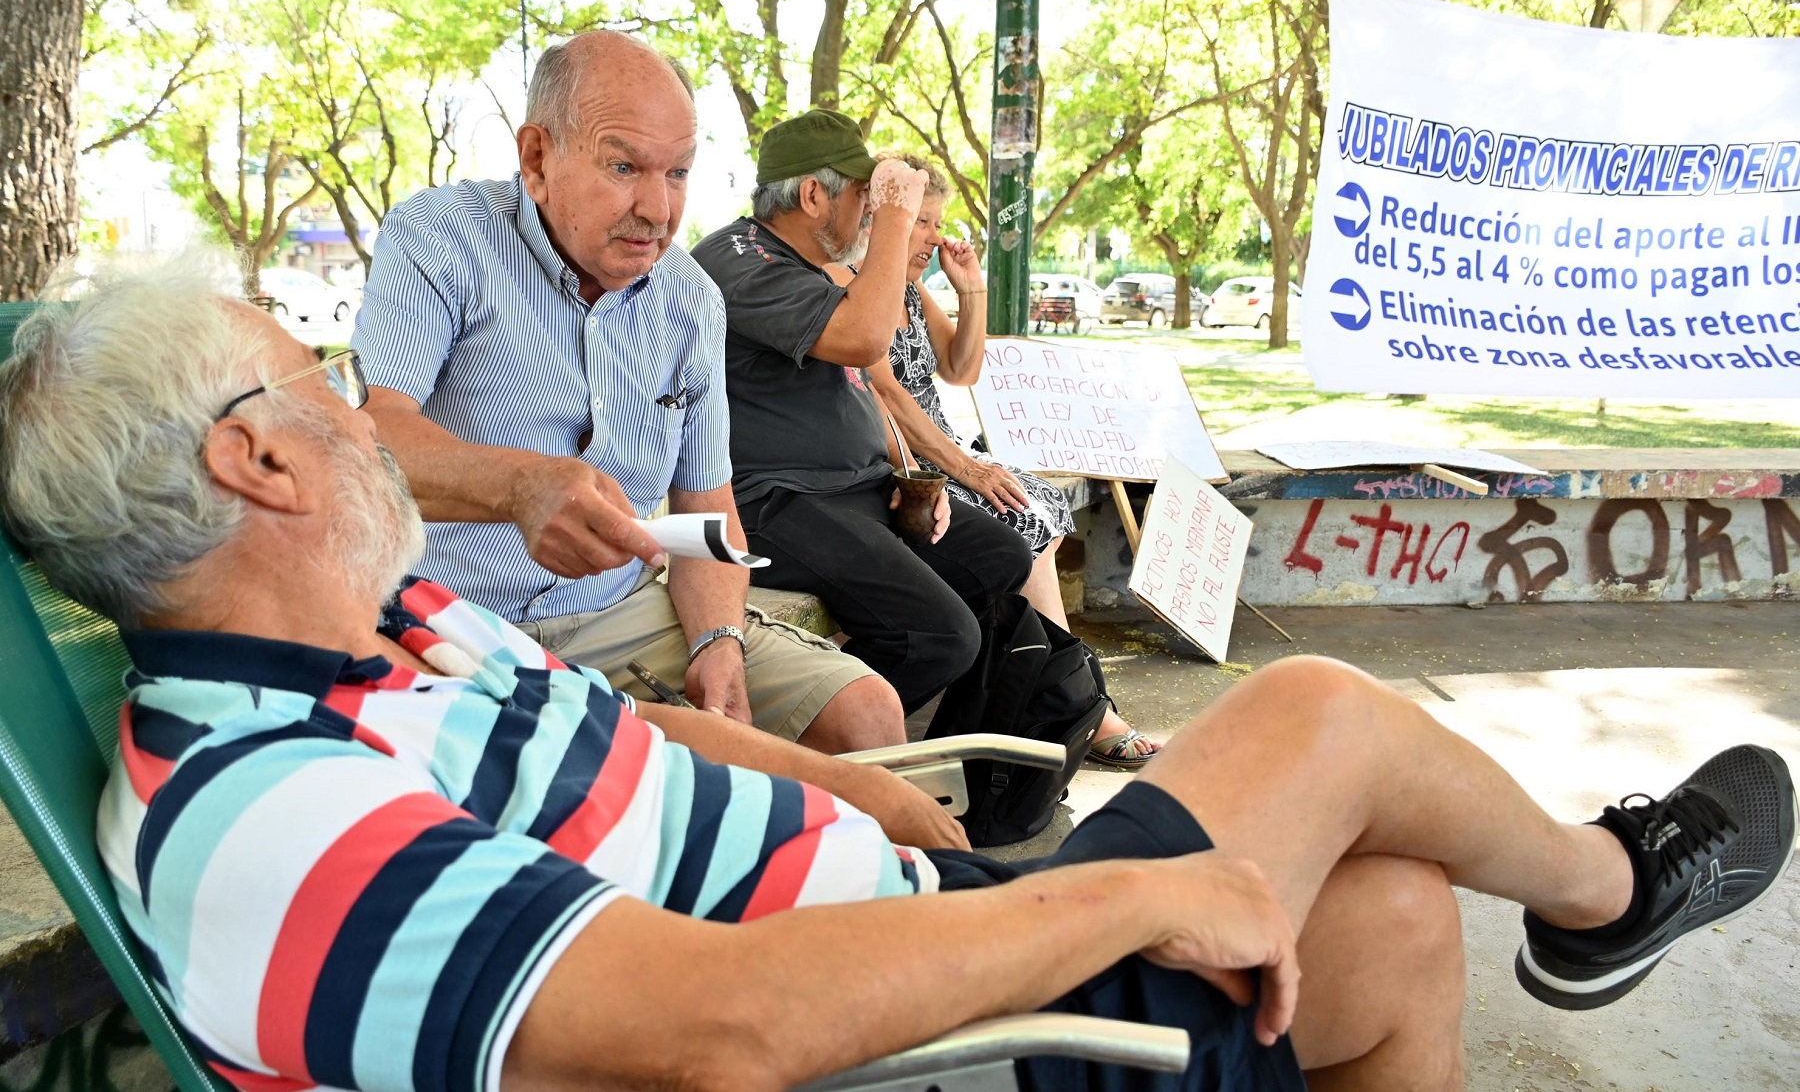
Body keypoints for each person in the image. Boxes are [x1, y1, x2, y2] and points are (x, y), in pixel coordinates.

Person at [5, 259, 1795, 1092]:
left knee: (1393, 908)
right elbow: (731, 1030)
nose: (356, 396)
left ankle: (1595, 895)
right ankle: (1610, 887)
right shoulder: (267, 826)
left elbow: (620, 738)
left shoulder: (383, 632)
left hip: (908, 912)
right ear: (255, 463)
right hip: (916, 1044)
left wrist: (834, 782)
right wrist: (1138, 890)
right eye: (313, 378)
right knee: (1319, 720)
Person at [350, 32, 905, 755]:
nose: (656, 207)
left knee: (866, 714)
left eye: (677, 173)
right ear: (537, 158)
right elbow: (370, 436)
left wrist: (718, 640)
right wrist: (519, 487)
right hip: (447, 613)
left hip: (615, 610)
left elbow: (707, 507)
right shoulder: (440, 238)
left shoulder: (692, 301)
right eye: (624, 166)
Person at [690, 111, 1036, 715]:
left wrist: (900, 475)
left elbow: (870, 384)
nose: (873, 210)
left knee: (999, 560)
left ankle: (963, 760)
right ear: (813, 194)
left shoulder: (799, 259)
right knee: (941, 635)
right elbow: (864, 341)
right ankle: (818, 746)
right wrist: (899, 222)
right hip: (775, 500)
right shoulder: (737, 259)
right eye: (863, 196)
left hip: (855, 489)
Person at [836, 152, 1158, 768]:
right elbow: (890, 397)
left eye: (935, 223)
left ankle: (1061, 691)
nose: (931, 237)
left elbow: (962, 368)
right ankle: (1079, 701)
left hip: (946, 455)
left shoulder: (909, 291)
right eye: (920, 223)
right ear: (879, 221)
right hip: (909, 470)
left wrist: (971, 289)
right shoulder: (854, 289)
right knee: (1023, 522)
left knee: (1040, 504)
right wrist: (966, 468)